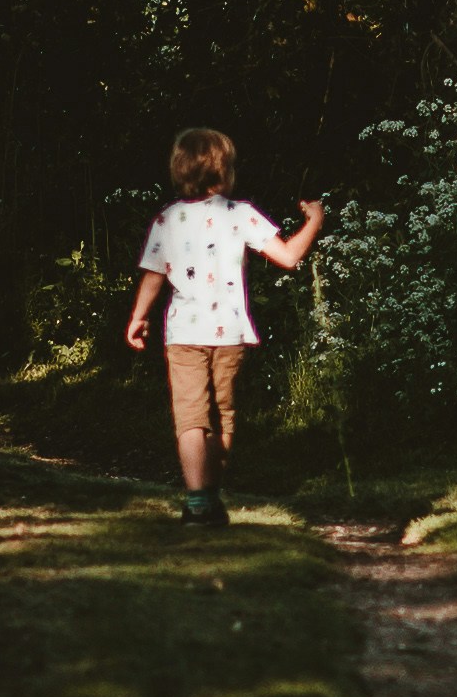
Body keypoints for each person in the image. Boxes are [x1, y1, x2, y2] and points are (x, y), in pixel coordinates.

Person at [120, 126, 323, 526]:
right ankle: (210, 495)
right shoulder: (241, 214)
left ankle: (198, 501)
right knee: (222, 417)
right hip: (229, 334)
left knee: (190, 417)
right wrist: (313, 221)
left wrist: (138, 317)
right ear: (225, 170)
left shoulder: (168, 219)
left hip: (183, 336)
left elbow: (154, 275)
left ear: (179, 170)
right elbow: (287, 257)